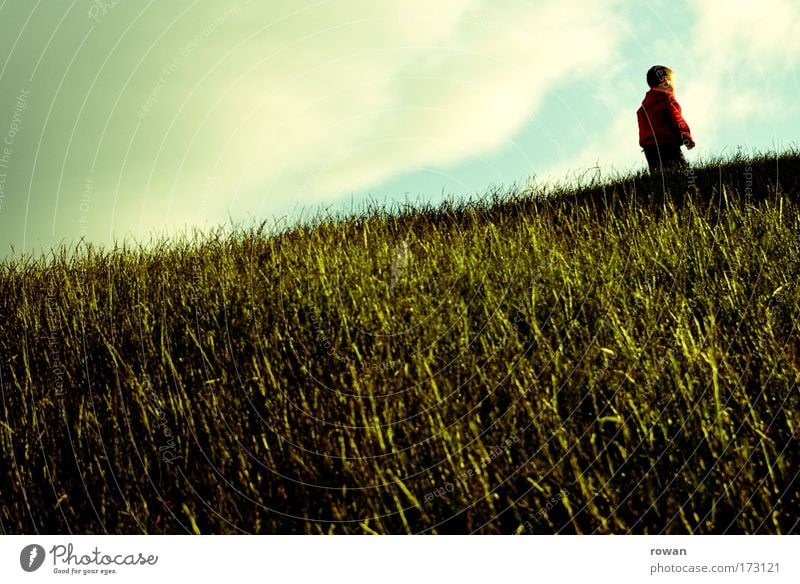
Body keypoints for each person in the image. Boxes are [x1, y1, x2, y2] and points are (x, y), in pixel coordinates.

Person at [637, 65, 695, 171]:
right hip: (667, 143)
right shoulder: (667, 99)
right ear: (666, 81)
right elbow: (676, 119)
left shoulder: (644, 107)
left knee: (658, 174)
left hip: (650, 148)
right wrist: (686, 136)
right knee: (680, 170)